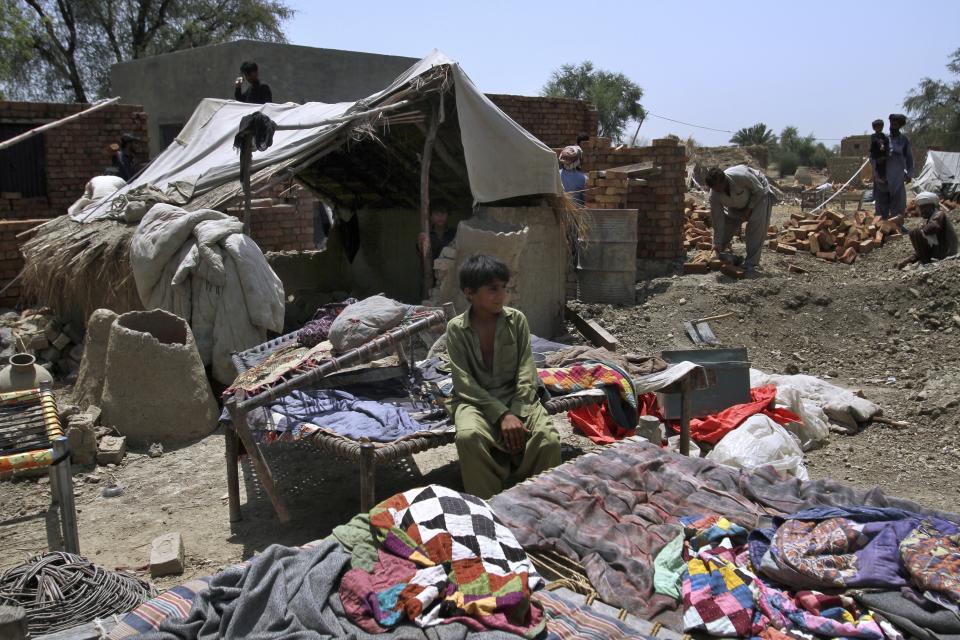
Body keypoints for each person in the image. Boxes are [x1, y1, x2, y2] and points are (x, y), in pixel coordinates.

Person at [445, 255, 561, 499]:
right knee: (469, 437)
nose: (501, 295)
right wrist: (502, 414)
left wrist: (517, 411)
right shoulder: (456, 328)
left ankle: (542, 501)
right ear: (469, 293)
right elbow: (464, 383)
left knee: (547, 439)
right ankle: (489, 508)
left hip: (516, 396)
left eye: (503, 288)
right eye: (492, 289)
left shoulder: (516, 320)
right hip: (475, 401)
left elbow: (527, 371)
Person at [705, 164, 775, 276]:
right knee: (726, 229)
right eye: (715, 189)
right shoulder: (714, 194)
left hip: (759, 195)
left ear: (724, 180)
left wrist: (749, 210)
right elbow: (718, 219)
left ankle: (751, 264)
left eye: (719, 188)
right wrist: (716, 243)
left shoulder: (741, 176)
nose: (718, 191)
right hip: (736, 204)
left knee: (755, 228)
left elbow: (759, 191)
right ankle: (723, 255)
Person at [897, 192, 958, 268]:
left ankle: (926, 262)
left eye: (924, 208)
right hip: (939, 250)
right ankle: (926, 261)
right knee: (917, 232)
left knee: (915, 232)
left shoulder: (939, 214)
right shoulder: (930, 219)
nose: (922, 211)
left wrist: (921, 230)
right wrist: (907, 261)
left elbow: (934, 227)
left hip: (947, 251)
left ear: (932, 206)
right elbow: (923, 247)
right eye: (921, 208)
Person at [875, 113, 913, 220]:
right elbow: (873, 157)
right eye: (891, 124)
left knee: (899, 204)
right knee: (882, 203)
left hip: (898, 177)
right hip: (883, 177)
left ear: (899, 126)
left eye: (895, 125)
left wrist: (909, 173)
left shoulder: (904, 140)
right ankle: (882, 226)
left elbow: (909, 158)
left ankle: (898, 225)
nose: (892, 127)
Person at [869, 118, 889, 186]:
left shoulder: (885, 137)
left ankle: (884, 178)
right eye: (877, 127)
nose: (879, 128)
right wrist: (881, 144)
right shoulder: (873, 136)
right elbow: (877, 141)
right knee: (876, 169)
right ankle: (877, 178)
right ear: (874, 128)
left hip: (883, 157)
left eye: (880, 126)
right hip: (874, 157)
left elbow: (887, 144)